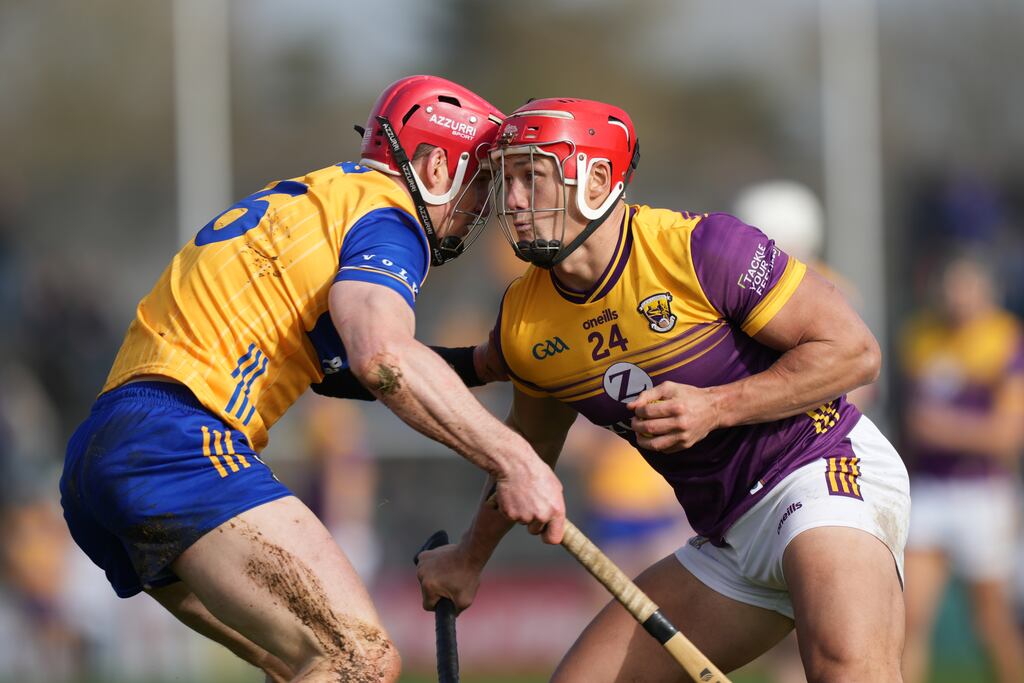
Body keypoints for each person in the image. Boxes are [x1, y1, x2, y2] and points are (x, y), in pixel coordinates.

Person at [58, 75, 566, 683]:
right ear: (435, 166)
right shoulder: (390, 220)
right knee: (361, 660)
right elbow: (382, 358)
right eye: (481, 180)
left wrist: (476, 364)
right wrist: (516, 460)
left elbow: (337, 365)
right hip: (180, 447)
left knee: (298, 666)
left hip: (102, 452)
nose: (487, 204)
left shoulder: (318, 200)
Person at [414, 97, 911, 682]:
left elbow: (855, 352)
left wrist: (717, 407)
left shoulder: (703, 250)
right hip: (728, 535)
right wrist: (469, 559)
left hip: (820, 471)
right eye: (507, 181)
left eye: (532, 178)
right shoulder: (526, 321)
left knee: (846, 668)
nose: (514, 202)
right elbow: (523, 457)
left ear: (596, 178)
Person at [899, 252, 1024, 683]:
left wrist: (944, 429)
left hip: (982, 492)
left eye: (966, 287)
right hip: (930, 489)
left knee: (990, 623)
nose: (957, 297)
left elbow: (1006, 436)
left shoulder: (1006, 339)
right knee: (908, 618)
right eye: (951, 287)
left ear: (987, 292)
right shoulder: (922, 336)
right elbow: (913, 423)